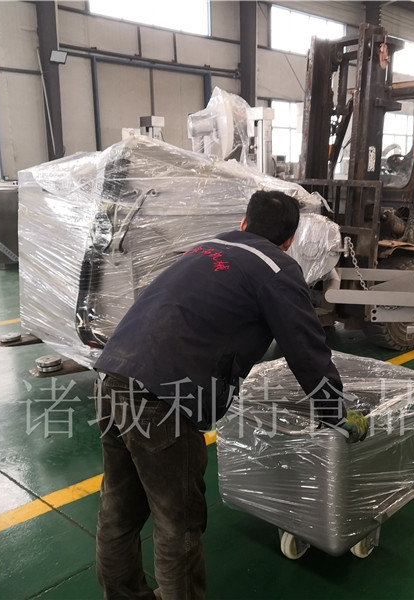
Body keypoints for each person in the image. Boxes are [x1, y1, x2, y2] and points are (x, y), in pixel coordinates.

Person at [93, 190, 368, 600]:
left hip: (113, 374)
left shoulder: (204, 247)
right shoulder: (276, 268)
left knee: (119, 509)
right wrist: (334, 411)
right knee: (177, 520)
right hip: (162, 399)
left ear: (243, 223)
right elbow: (306, 350)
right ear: (290, 239)